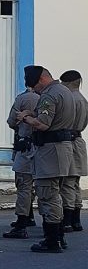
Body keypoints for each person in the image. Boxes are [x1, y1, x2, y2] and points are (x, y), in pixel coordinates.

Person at [17, 65, 76, 253]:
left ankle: (52, 240)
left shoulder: (50, 94)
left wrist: (24, 118)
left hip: (50, 151)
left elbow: (43, 124)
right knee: (55, 193)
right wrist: (33, 113)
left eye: (35, 86)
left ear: (42, 79)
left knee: (48, 194)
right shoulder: (64, 91)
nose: (34, 90)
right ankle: (59, 237)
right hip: (62, 148)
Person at [3, 87, 39, 239]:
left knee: (24, 185)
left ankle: (22, 222)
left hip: (26, 147)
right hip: (46, 149)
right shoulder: (50, 96)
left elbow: (12, 121)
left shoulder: (23, 98)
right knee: (47, 186)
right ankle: (55, 224)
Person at [60, 70, 86, 232]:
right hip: (79, 140)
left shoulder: (70, 99)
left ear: (68, 83)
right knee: (75, 183)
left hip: (69, 141)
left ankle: (68, 220)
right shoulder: (83, 99)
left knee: (68, 183)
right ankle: (76, 219)